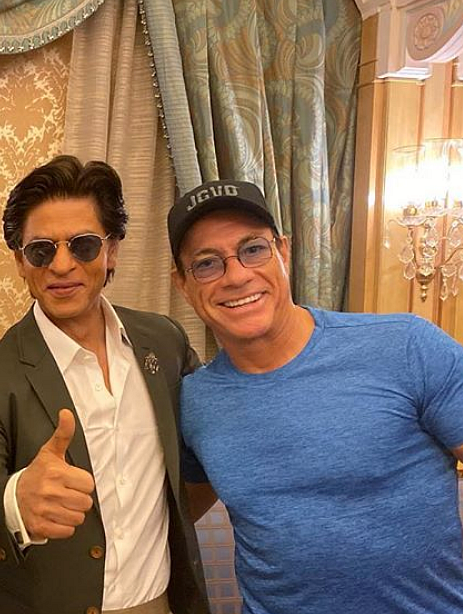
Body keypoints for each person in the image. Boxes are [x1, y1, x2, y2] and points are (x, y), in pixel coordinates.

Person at [169, 179, 463, 614]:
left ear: (283, 251)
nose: (237, 276)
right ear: (182, 284)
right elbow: (172, 516)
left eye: (253, 249)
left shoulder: (405, 346)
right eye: (207, 264)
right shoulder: (195, 401)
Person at [0, 155, 210, 614]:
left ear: (112, 251)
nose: (61, 265)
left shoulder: (164, 342)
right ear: (20, 261)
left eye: (83, 245)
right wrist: (16, 503)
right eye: (41, 250)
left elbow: (206, 449)